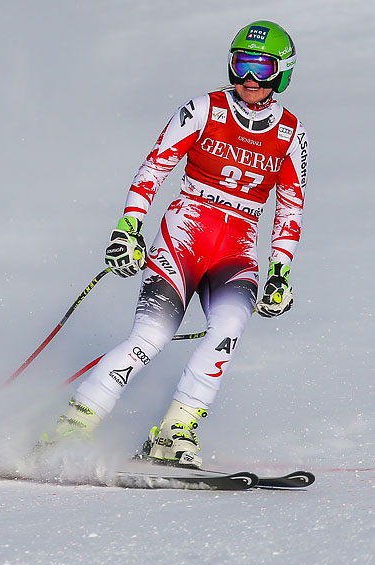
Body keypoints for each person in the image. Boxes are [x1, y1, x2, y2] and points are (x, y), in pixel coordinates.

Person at [47, 20, 308, 468]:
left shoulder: (290, 131)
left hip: (236, 251)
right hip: (184, 236)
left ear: (281, 73)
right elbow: (154, 168)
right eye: (243, 64)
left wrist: (280, 269)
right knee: (150, 336)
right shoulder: (203, 109)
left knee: (227, 331)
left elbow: (290, 206)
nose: (250, 79)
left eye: (262, 68)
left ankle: (174, 433)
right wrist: (128, 228)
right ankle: (70, 430)